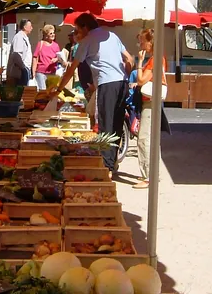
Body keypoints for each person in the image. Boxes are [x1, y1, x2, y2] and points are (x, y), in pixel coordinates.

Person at [53, 13, 134, 174]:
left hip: (107, 84)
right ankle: (112, 163)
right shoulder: (112, 35)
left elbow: (72, 68)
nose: (77, 33)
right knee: (116, 125)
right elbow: (129, 59)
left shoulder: (87, 40)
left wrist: (59, 88)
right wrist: (125, 75)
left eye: (77, 29)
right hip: (122, 83)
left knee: (105, 125)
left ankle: (106, 168)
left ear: (85, 27)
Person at [133, 28, 167, 189]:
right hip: (153, 101)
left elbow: (141, 80)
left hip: (150, 103)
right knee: (152, 140)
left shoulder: (154, 59)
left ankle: (148, 176)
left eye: (142, 41)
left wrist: (140, 62)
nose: (140, 44)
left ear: (150, 42)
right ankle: (153, 174)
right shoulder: (159, 58)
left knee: (144, 139)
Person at [32, 24, 61, 90]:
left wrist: (56, 59)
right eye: (51, 33)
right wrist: (33, 71)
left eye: (53, 33)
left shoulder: (56, 46)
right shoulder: (40, 44)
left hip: (52, 73)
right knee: (43, 91)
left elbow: (59, 57)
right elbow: (35, 57)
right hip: (41, 72)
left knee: (51, 92)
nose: (53, 35)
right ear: (45, 35)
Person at [6, 19, 33, 86]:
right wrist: (23, 68)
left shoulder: (24, 37)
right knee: (21, 91)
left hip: (24, 69)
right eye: (30, 26)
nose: (32, 28)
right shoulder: (19, 37)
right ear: (25, 27)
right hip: (20, 71)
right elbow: (16, 54)